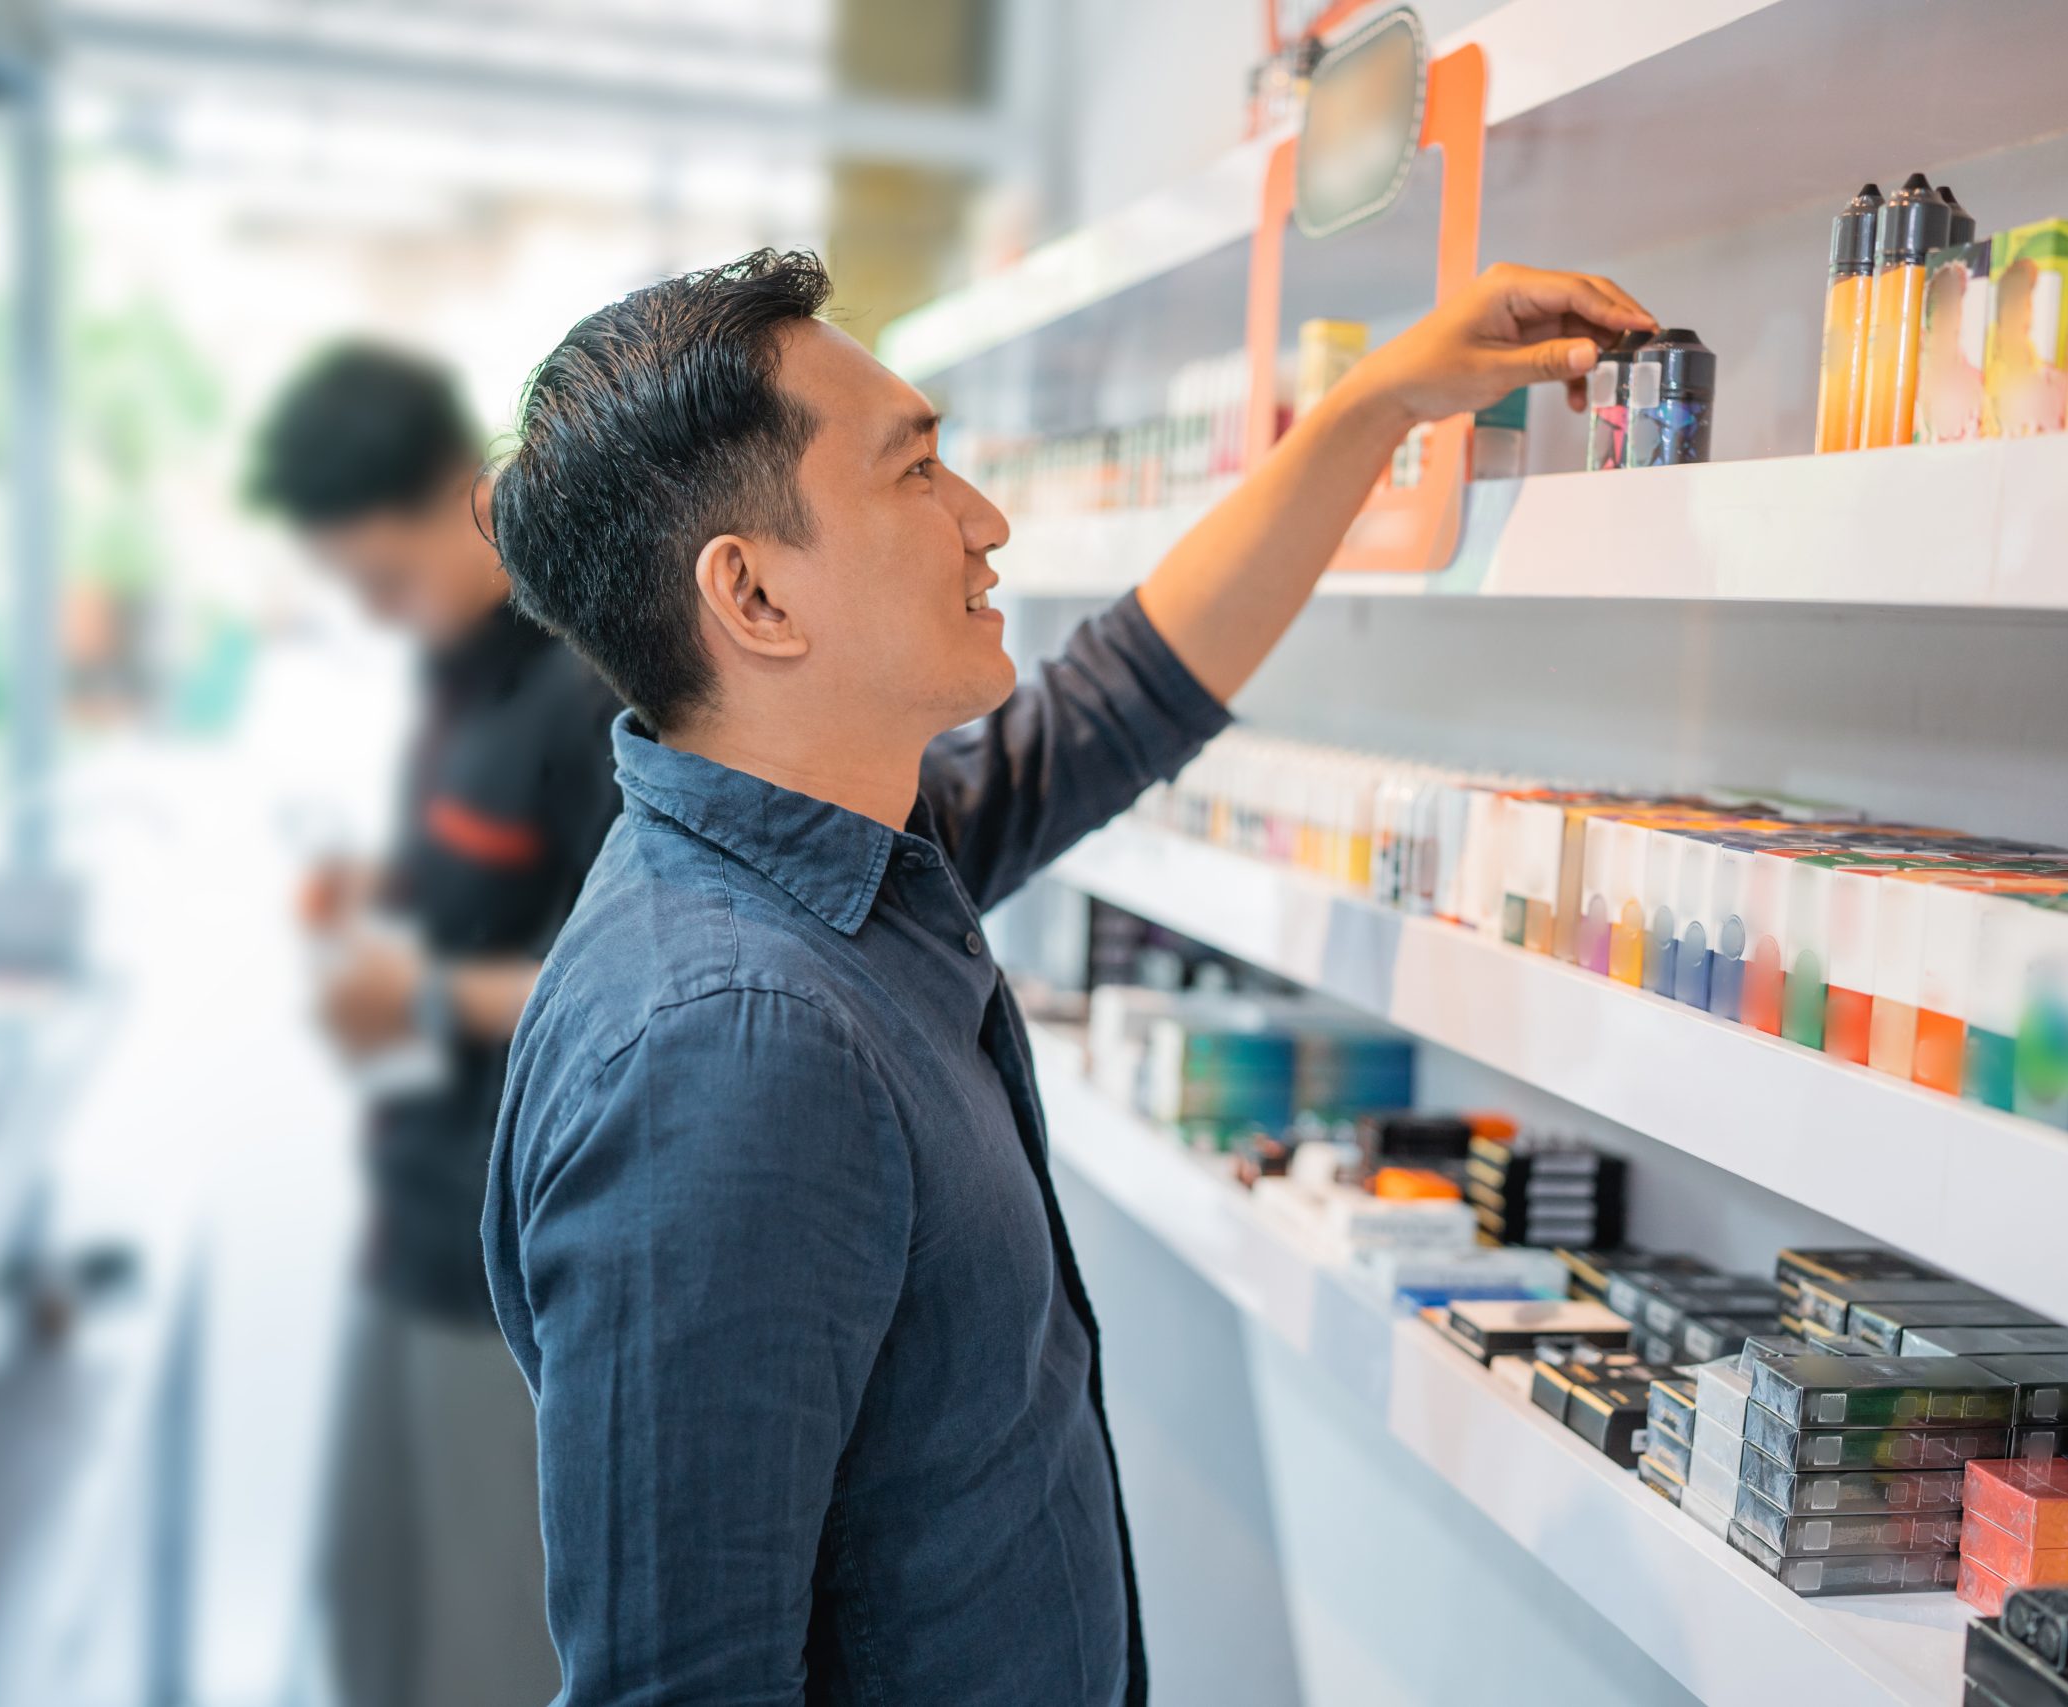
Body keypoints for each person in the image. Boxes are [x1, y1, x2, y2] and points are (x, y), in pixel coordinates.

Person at [484, 249, 1651, 1705]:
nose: (986, 521)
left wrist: (1380, 402)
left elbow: (1119, 699)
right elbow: (680, 1685)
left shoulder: (855, 856)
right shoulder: (731, 1049)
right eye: (916, 475)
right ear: (757, 596)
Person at [250, 343, 623, 1707]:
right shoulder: (451, 681)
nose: (381, 612)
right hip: (406, 1230)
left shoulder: (591, 689)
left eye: (389, 580)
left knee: (481, 1654)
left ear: (466, 500)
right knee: (370, 1614)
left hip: (508, 1275)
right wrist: (382, 907)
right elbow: (479, 897)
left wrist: (413, 992)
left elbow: (619, 987)